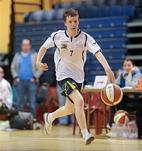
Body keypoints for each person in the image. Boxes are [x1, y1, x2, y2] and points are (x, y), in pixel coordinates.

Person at [36, 8, 115, 145]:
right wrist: (38, 61)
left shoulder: (85, 38)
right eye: (70, 21)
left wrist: (107, 69)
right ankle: (85, 133)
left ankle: (50, 117)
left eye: (76, 21)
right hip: (63, 75)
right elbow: (43, 48)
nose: (74, 24)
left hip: (79, 77)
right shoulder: (57, 36)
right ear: (65, 23)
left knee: (70, 109)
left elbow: (97, 53)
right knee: (79, 101)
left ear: (78, 21)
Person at [11, 39, 42, 117]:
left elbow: (40, 68)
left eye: (27, 45)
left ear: (30, 46)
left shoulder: (34, 55)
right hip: (20, 82)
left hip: (31, 82)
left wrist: (35, 77)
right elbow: (12, 67)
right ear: (21, 46)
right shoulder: (17, 55)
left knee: (32, 102)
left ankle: (32, 120)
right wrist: (16, 77)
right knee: (20, 103)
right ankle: (20, 120)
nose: (26, 47)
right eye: (24, 45)